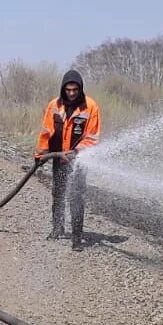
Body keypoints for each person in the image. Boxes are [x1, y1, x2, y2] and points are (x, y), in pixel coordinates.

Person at [34, 69, 100, 251]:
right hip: (58, 158)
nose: (71, 93)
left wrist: (76, 151)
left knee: (76, 197)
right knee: (58, 194)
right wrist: (40, 154)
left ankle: (77, 238)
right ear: (63, 89)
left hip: (78, 161)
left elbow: (92, 137)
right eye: (68, 90)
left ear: (80, 89)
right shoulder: (54, 106)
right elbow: (46, 132)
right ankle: (57, 229)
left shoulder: (90, 107)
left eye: (75, 90)